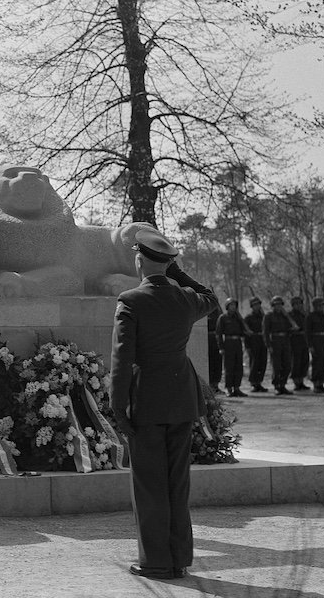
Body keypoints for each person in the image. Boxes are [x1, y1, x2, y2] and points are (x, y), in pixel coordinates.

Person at [109, 229, 218, 581]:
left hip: (146, 402)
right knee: (177, 484)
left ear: (139, 261)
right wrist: (176, 271)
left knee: (149, 486)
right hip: (181, 400)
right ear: (167, 264)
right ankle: (179, 560)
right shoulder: (186, 299)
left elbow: (122, 360)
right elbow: (210, 296)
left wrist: (117, 406)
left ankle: (155, 562)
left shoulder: (131, 300)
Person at [215, 298, 249, 397]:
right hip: (228, 343)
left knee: (238, 366)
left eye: (234, 305)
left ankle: (237, 388)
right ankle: (229, 389)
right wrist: (221, 347)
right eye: (231, 305)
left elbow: (244, 331)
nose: (233, 307)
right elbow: (218, 334)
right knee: (229, 367)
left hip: (237, 343)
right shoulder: (223, 318)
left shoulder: (238, 318)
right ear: (227, 307)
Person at [263, 296, 295, 396]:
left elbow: (294, 327)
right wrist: (268, 345)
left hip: (285, 341)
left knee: (287, 365)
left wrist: (287, 316)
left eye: (280, 304)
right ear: (273, 306)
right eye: (276, 305)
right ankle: (277, 386)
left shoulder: (285, 316)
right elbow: (265, 332)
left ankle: (283, 385)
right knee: (276, 366)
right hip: (275, 341)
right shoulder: (268, 316)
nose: (278, 306)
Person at [304, 297, 324, 393]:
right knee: (317, 363)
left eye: (323, 305)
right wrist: (310, 346)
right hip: (315, 342)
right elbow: (307, 333)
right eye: (321, 305)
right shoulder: (310, 317)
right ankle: (315, 384)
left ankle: (321, 383)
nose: (323, 307)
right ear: (316, 306)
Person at [243, 297, 268, 392]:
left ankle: (259, 382)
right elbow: (246, 333)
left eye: (258, 304)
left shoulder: (263, 317)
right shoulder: (248, 318)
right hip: (253, 341)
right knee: (254, 363)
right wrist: (247, 346)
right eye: (254, 305)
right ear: (251, 306)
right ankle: (253, 383)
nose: (257, 306)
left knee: (263, 362)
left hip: (262, 340)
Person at [288, 296, 310, 391]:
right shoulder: (289, 315)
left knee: (304, 360)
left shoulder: (304, 315)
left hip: (304, 339)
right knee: (296, 361)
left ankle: (301, 381)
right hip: (294, 339)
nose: (298, 305)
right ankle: (296, 382)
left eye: (300, 303)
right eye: (296, 303)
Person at [207, 307, 222, 394]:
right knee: (209, 361)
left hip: (216, 337)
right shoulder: (203, 308)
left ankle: (215, 384)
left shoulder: (217, 309)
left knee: (217, 361)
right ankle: (209, 385)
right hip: (206, 337)